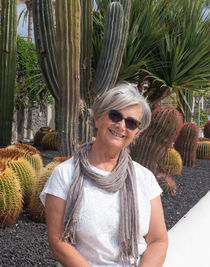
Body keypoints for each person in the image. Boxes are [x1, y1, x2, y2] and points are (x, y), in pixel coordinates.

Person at [40, 83, 168, 267]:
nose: (121, 125)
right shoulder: (64, 174)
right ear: (98, 118)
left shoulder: (145, 178)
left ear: (136, 132)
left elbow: (158, 241)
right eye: (115, 116)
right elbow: (58, 243)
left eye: (131, 123)